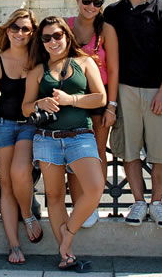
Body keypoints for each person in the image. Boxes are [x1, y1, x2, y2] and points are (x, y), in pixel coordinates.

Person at [22, 16, 106, 271]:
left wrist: (71, 100)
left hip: (80, 136)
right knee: (55, 196)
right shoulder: (38, 70)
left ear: (67, 36)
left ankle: (68, 233)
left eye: (57, 35)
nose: (52, 41)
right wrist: (39, 103)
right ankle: (65, 254)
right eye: (46, 38)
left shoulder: (85, 62)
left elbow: (100, 98)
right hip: (47, 139)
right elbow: (25, 108)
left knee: (94, 187)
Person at [103, 0, 162, 228]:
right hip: (125, 90)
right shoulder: (112, 13)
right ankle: (138, 201)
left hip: (156, 91)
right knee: (129, 150)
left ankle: (157, 203)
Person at [0, 9, 42, 264]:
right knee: (6, 184)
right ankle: (14, 245)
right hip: (4, 126)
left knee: (21, 171)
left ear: (33, 33)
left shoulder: (39, 59)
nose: (20, 33)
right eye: (15, 28)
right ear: (7, 30)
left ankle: (27, 214)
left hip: (29, 125)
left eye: (26, 29)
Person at [65, 0, 119, 228]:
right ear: (78, 0)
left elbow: (114, 69)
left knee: (97, 152)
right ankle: (79, 205)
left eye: (97, 2)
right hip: (72, 98)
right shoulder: (65, 27)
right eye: (86, 1)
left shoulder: (106, 29)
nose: (91, 6)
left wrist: (112, 105)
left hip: (99, 97)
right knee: (75, 155)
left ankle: (93, 203)